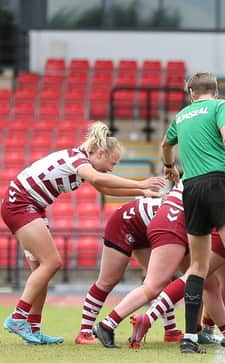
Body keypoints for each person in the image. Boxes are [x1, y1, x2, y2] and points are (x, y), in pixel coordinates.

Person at [1, 121, 165, 344]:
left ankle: (32, 328)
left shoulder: (84, 163)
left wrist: (142, 190)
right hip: (20, 204)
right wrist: (141, 182)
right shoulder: (79, 160)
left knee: (42, 270)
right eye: (112, 162)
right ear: (100, 153)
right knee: (52, 262)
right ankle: (19, 316)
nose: (111, 168)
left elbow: (104, 187)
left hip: (31, 206)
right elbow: (100, 179)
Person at [161, 72, 225, 354]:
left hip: (191, 188)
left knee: (198, 265)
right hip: (219, 182)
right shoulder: (220, 106)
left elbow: (166, 147)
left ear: (191, 92)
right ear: (215, 90)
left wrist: (170, 167)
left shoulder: (181, 116)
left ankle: (189, 337)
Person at [74, 195, 170, 345]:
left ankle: (171, 331)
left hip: (145, 224)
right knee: (108, 280)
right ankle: (84, 333)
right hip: (126, 222)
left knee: (162, 279)